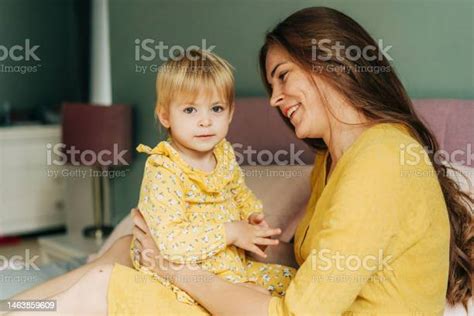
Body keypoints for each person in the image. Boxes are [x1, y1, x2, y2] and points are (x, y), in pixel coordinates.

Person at [9, 6, 472, 316]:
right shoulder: (333, 161)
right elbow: (314, 262)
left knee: (110, 282)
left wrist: (177, 269)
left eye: (283, 76)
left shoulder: (385, 158)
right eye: (272, 84)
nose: (274, 99)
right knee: (125, 249)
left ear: (332, 64)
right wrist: (231, 239)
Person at [128, 48, 295, 308]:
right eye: (190, 110)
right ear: (165, 116)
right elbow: (170, 244)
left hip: (232, 264)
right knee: (260, 301)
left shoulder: (223, 153)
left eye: (216, 108)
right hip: (189, 273)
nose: (205, 121)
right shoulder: (164, 169)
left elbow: (239, 192)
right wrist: (232, 232)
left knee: (294, 285)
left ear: (230, 113)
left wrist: (252, 217)